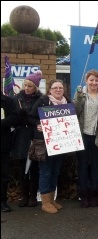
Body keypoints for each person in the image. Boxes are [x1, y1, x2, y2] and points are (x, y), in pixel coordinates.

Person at [28, 79, 70, 213]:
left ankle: (52, 199)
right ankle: (45, 202)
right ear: (50, 90)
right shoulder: (43, 101)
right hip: (45, 143)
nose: (58, 90)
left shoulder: (68, 103)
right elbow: (30, 117)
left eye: (60, 88)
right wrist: (37, 124)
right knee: (46, 171)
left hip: (61, 143)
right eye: (55, 88)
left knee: (55, 171)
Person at [73, 69, 98, 208]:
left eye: (96, 80)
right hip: (82, 134)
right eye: (91, 80)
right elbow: (75, 111)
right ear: (86, 81)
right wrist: (77, 95)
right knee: (82, 165)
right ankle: (84, 194)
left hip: (97, 136)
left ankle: (94, 194)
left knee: (95, 165)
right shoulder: (80, 93)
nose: (94, 82)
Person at [12, 70, 43, 207]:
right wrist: (18, 117)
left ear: (35, 87)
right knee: (22, 166)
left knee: (34, 167)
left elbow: (41, 117)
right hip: (20, 135)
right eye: (25, 85)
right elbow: (11, 116)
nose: (27, 88)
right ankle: (24, 195)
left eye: (30, 86)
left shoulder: (41, 99)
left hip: (34, 135)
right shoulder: (17, 98)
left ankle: (33, 196)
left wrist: (32, 121)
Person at [1, 92, 18, 212]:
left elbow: (14, 118)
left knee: (3, 175)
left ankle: (2, 202)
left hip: (3, 144)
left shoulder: (7, 101)